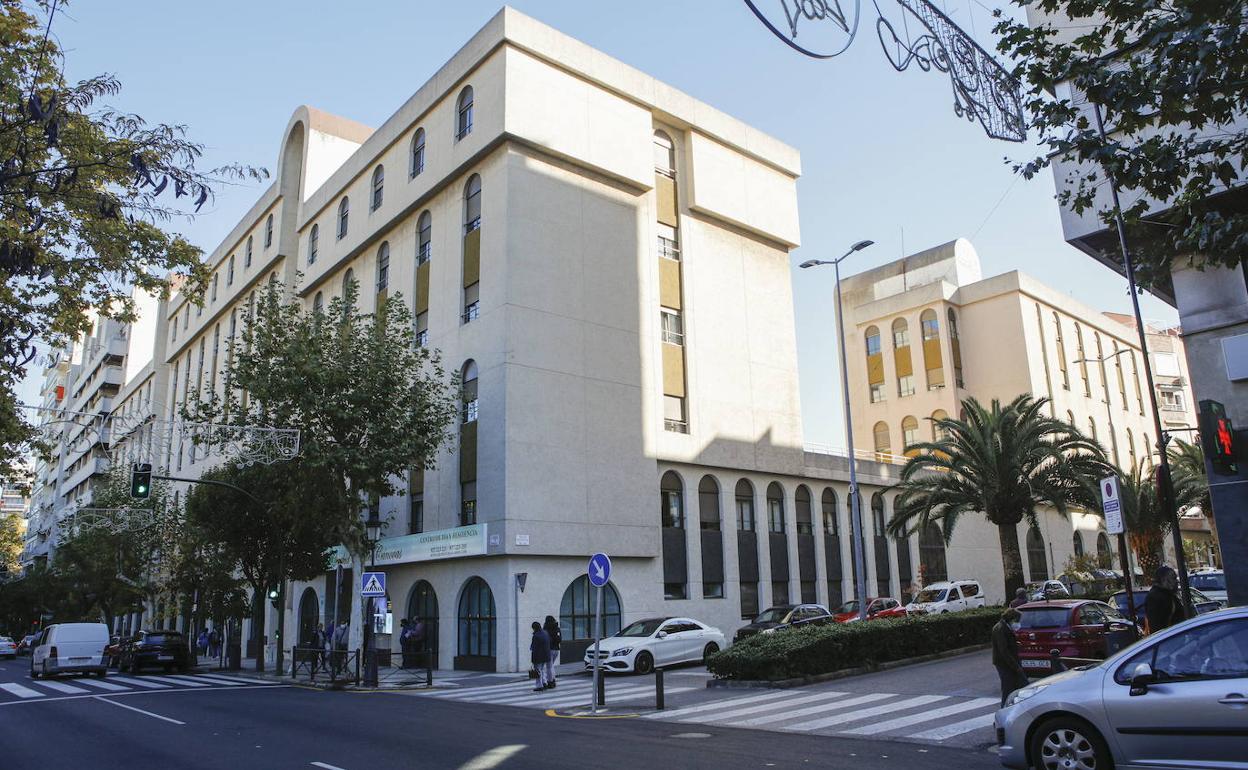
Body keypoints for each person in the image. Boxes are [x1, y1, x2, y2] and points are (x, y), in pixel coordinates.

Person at [992, 608, 1028, 707]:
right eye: (1017, 621)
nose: (1018, 623)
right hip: (1004, 663)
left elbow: (1006, 645)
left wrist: (1015, 644)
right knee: (1008, 687)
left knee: (1017, 686)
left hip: (1008, 662)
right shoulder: (1001, 629)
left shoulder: (1005, 627)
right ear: (1011, 619)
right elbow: (1004, 650)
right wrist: (1015, 666)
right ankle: (1004, 707)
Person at [1145, 565, 1186, 634]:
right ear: (1163, 580)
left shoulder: (1168, 595)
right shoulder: (1156, 597)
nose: (1176, 581)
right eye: (1173, 578)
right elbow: (1156, 626)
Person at [529, 621, 551, 692]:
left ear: (534, 628)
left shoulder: (536, 636)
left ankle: (539, 686)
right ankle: (544, 683)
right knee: (542, 670)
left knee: (538, 671)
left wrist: (533, 660)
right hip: (546, 655)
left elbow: (534, 648)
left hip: (538, 656)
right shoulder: (545, 633)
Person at [542, 615, 561, 690]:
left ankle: (550, 681)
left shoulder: (546, 629)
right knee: (551, 665)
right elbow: (560, 639)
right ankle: (553, 680)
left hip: (549, 649)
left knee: (549, 666)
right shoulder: (557, 628)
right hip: (556, 649)